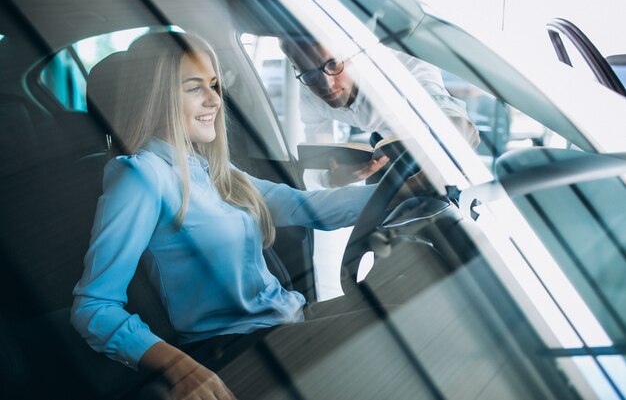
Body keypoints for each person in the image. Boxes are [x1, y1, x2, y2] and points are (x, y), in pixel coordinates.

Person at [70, 32, 378, 400]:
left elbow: (304, 207)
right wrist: (180, 367)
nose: (214, 99)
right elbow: (93, 307)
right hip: (240, 350)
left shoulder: (210, 168)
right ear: (158, 94)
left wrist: (401, 191)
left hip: (291, 323)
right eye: (194, 87)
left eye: (214, 85)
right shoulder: (141, 176)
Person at [280, 40, 480, 188]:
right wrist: (334, 179)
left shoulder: (402, 65)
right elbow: (318, 159)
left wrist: (410, 190)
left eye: (333, 64)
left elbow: (461, 130)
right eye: (309, 73)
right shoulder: (308, 90)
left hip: (434, 161)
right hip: (386, 155)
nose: (326, 84)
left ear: (354, 51)